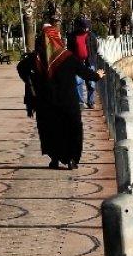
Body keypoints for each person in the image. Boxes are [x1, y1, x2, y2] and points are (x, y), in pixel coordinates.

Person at [34, 12, 102, 169]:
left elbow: (21, 68)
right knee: (72, 128)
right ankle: (72, 159)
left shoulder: (38, 59)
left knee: (51, 129)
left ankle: (55, 159)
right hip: (68, 102)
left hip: (46, 103)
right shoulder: (67, 57)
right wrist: (97, 75)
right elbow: (84, 72)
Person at [66, 16, 99, 108]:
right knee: (77, 81)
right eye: (84, 27)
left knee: (91, 83)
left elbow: (96, 47)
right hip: (77, 63)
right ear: (79, 26)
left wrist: (92, 58)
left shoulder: (91, 36)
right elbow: (69, 50)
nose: (86, 29)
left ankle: (91, 101)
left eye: (87, 27)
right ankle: (80, 102)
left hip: (90, 62)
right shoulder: (72, 36)